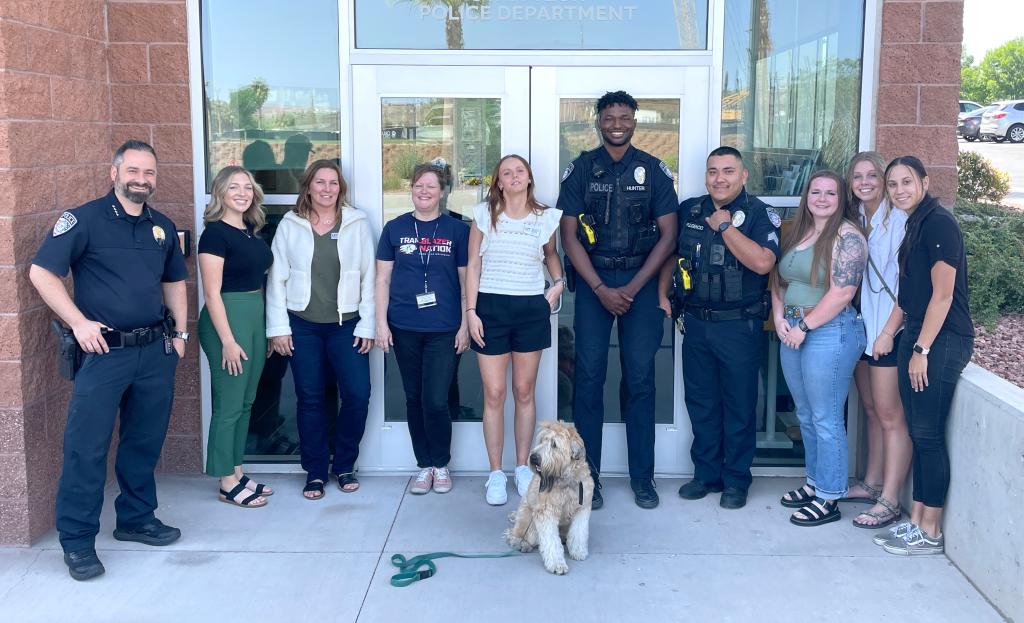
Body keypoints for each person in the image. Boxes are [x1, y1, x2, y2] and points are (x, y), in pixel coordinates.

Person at [30, 140, 188, 581]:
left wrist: (180, 335)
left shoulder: (161, 226)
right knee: (87, 448)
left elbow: (175, 280)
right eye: (133, 170)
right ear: (114, 172)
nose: (141, 179)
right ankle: (78, 541)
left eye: (149, 173)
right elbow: (41, 272)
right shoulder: (83, 220)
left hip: (154, 352)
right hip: (103, 354)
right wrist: (78, 322)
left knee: (143, 441)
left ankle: (136, 519)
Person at [558, 91, 678, 510]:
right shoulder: (581, 169)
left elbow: (669, 235)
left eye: (624, 118)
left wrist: (633, 287)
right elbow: (568, 236)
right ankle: (586, 480)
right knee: (589, 380)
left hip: (640, 282)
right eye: (609, 118)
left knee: (640, 380)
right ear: (598, 121)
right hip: (595, 284)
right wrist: (600, 289)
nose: (616, 125)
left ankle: (642, 478)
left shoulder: (653, 170)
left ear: (634, 122)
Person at [661, 146, 780, 510]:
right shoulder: (691, 210)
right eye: (713, 171)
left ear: (743, 176)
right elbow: (672, 254)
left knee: (739, 405)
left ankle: (736, 481)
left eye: (728, 171)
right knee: (701, 403)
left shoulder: (759, 214)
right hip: (696, 322)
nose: (719, 179)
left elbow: (763, 263)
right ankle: (706, 474)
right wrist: (663, 294)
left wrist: (725, 227)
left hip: (738, 326)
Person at [878, 156, 973, 555]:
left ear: (925, 182)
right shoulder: (915, 223)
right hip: (916, 332)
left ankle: (931, 530)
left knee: (928, 434)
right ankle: (916, 519)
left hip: (942, 339)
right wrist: (889, 333)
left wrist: (921, 350)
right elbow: (909, 293)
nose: (899, 190)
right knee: (918, 432)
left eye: (907, 182)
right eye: (893, 184)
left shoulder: (939, 224)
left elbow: (943, 295)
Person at [266, 160, 376, 500]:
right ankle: (315, 471)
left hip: (348, 325)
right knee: (310, 397)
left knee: (357, 394)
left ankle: (344, 464)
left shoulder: (356, 223)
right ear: (309, 187)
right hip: (302, 325)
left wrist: (368, 323)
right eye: (320, 182)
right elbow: (277, 279)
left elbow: (369, 277)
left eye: (333, 183)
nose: (327, 189)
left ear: (340, 188)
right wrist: (278, 328)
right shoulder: (290, 224)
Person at [466, 154, 564, 505]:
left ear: (529, 177)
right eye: (506, 172)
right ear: (499, 181)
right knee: (494, 394)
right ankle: (495, 473)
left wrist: (558, 283)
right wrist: (471, 311)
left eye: (519, 171)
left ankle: (522, 467)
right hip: (490, 308)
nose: (514, 176)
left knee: (524, 392)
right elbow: (473, 265)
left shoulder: (545, 216)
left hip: (529, 309)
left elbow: (551, 255)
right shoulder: (483, 214)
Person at [772, 170, 867, 527]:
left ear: (841, 199)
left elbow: (843, 293)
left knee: (826, 417)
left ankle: (829, 496)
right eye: (816, 192)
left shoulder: (847, 236)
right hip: (793, 329)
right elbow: (779, 281)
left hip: (829, 330)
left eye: (830, 193)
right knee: (806, 414)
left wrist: (804, 326)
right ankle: (814, 482)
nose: (822, 199)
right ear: (807, 196)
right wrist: (779, 317)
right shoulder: (799, 231)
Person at [375, 163, 470, 495]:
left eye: (431, 186)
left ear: (443, 192)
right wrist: (381, 323)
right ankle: (424, 465)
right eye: (419, 186)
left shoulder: (458, 230)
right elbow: (382, 279)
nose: (424, 191)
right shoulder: (394, 228)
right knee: (413, 397)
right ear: (411, 189)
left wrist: (465, 325)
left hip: (445, 328)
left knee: (436, 399)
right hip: (404, 326)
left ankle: (441, 463)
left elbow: (466, 283)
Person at [198, 166, 275, 508]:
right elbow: (211, 293)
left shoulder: (250, 231)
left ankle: (237, 470)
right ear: (220, 193)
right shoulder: (214, 235)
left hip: (253, 315)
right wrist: (228, 341)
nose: (242, 193)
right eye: (234, 187)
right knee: (229, 404)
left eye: (247, 187)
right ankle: (225, 480)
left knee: (246, 401)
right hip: (227, 319)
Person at [845, 152, 911, 529]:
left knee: (890, 415)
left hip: (890, 330)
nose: (865, 182)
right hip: (864, 327)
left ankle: (890, 499)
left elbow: (907, 285)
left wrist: (889, 330)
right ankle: (871, 483)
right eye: (858, 176)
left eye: (872, 175)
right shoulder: (857, 218)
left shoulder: (898, 220)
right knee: (870, 408)